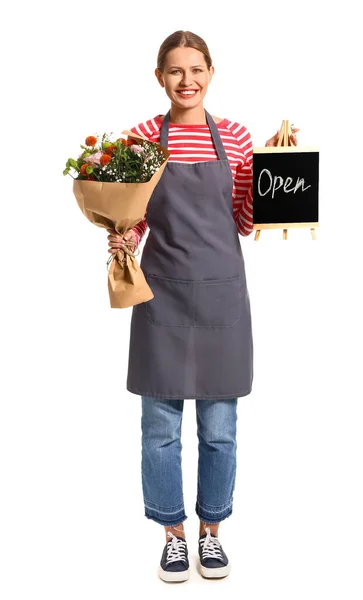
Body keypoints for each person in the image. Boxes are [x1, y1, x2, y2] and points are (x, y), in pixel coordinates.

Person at [107, 30, 299, 583]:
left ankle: (212, 534)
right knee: (160, 429)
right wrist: (119, 235)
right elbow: (135, 215)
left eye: (196, 69)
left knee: (220, 428)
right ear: (159, 77)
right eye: (175, 71)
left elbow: (242, 218)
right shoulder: (142, 139)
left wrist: (278, 179)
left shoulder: (236, 139)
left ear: (211, 73)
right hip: (162, 293)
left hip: (222, 294)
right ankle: (172, 535)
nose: (186, 80)